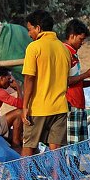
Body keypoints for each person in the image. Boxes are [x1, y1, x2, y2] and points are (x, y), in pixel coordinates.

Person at [19, 11, 70, 156]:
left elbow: (29, 79)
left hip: (38, 108)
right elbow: (66, 80)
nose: (29, 34)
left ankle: (23, 179)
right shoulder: (64, 49)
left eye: (30, 29)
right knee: (57, 153)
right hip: (60, 108)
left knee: (28, 148)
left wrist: (24, 107)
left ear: (38, 28)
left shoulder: (34, 47)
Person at [62, 18, 90, 145]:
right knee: (72, 146)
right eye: (81, 39)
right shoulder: (64, 52)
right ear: (72, 36)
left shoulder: (73, 54)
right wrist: (86, 74)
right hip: (70, 104)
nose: (82, 43)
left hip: (78, 103)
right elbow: (64, 81)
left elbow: (75, 81)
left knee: (78, 146)